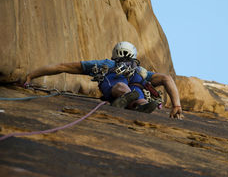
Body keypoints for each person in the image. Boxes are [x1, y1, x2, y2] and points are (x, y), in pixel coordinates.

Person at [23, 41, 183, 119]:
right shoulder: (140, 71)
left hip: (115, 89)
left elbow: (63, 66)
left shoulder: (104, 64)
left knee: (121, 86)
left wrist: (31, 76)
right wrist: (176, 104)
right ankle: (138, 103)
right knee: (135, 91)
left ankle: (130, 100)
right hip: (134, 88)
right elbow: (167, 79)